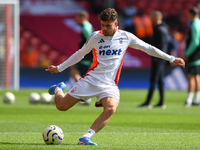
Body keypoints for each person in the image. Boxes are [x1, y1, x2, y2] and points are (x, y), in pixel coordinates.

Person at [46, 8, 185, 145]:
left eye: (108, 25)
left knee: (111, 108)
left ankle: (85, 137)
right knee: (61, 107)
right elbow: (79, 54)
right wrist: (59, 68)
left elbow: (148, 48)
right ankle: (59, 89)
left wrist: (171, 59)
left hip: (109, 84)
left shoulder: (126, 37)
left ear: (116, 23)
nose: (104, 28)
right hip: (91, 79)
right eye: (102, 25)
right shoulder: (95, 37)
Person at [138, 11, 170, 109]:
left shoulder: (160, 30)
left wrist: (157, 57)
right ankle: (161, 102)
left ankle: (148, 102)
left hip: (158, 59)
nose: (150, 20)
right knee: (160, 80)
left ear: (156, 18)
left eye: (151, 17)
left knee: (154, 79)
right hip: (160, 58)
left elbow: (162, 46)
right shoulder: (162, 28)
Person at [69, 11, 93, 105]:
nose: (76, 20)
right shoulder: (87, 26)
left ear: (82, 18)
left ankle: (85, 95)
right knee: (81, 76)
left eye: (77, 18)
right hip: (86, 57)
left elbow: (92, 42)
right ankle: (84, 95)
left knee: (74, 73)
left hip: (86, 57)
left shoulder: (86, 28)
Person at [184, 7, 200, 107]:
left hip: (194, 55)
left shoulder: (194, 25)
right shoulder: (198, 23)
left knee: (191, 77)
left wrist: (187, 54)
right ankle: (196, 99)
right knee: (197, 77)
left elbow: (195, 42)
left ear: (191, 14)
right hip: (198, 55)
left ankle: (189, 100)